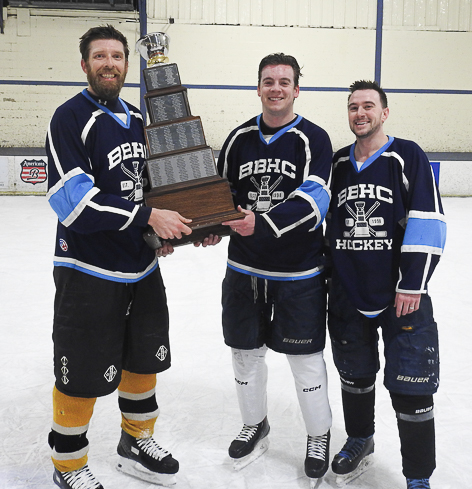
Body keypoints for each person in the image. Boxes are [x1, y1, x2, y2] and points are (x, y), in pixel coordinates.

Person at [45, 24, 207, 489]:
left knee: (143, 360)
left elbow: (155, 189)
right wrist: (149, 217)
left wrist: (173, 230)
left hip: (141, 266)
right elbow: (73, 203)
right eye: (100, 56)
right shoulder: (69, 118)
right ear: (85, 65)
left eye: (117, 56)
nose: (109, 64)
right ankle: (68, 464)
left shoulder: (138, 117)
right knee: (82, 372)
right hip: (88, 269)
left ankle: (136, 441)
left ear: (127, 64)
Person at [218, 53, 333, 484]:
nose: (276, 88)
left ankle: (318, 435)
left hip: (298, 273)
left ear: (296, 89)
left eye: (285, 82)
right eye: (269, 81)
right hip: (244, 270)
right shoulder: (238, 138)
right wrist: (209, 227)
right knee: (244, 353)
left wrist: (260, 223)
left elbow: (315, 200)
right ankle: (255, 424)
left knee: (305, 359)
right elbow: (219, 195)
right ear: (259, 87)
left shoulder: (313, 139)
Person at [325, 80, 446, 489]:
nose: (360, 113)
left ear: (384, 113)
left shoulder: (406, 155)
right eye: (353, 107)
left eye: (368, 106)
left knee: (412, 383)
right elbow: (326, 223)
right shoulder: (338, 162)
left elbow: (429, 219)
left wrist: (413, 283)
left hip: (401, 296)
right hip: (348, 291)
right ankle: (360, 438)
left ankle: (418, 475)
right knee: (354, 374)